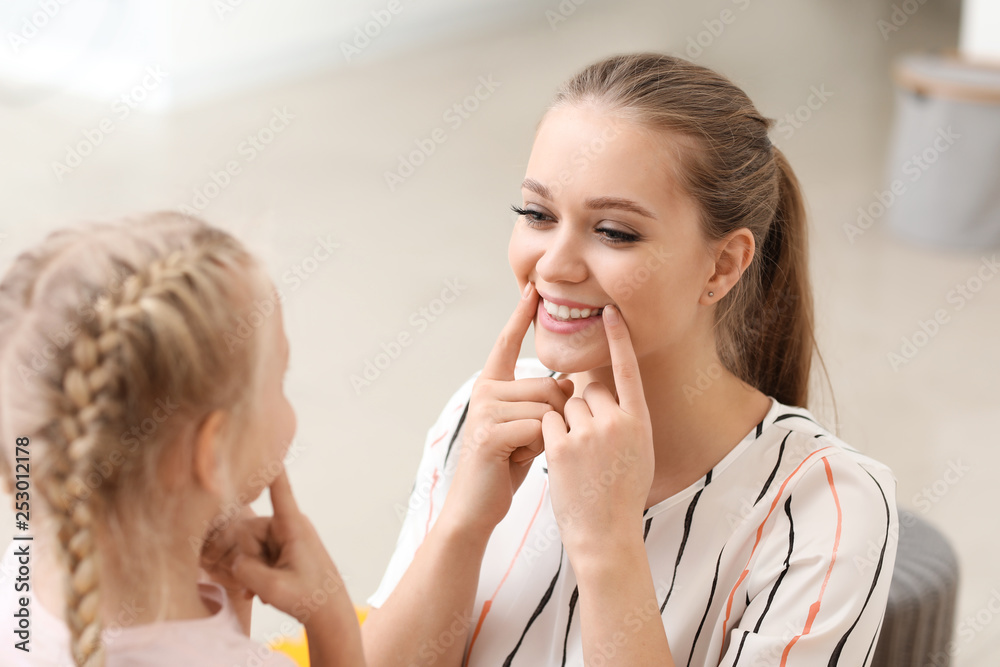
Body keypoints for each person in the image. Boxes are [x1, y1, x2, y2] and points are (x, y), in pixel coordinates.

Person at [361, 53, 899, 666]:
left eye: (615, 232)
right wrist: (463, 524)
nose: (554, 265)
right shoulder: (480, 416)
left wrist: (608, 544)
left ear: (722, 265)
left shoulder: (828, 507)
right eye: (537, 215)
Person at [0, 212, 365, 666]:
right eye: (280, 380)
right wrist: (330, 619)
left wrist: (230, 596)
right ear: (212, 451)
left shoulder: (18, 573)